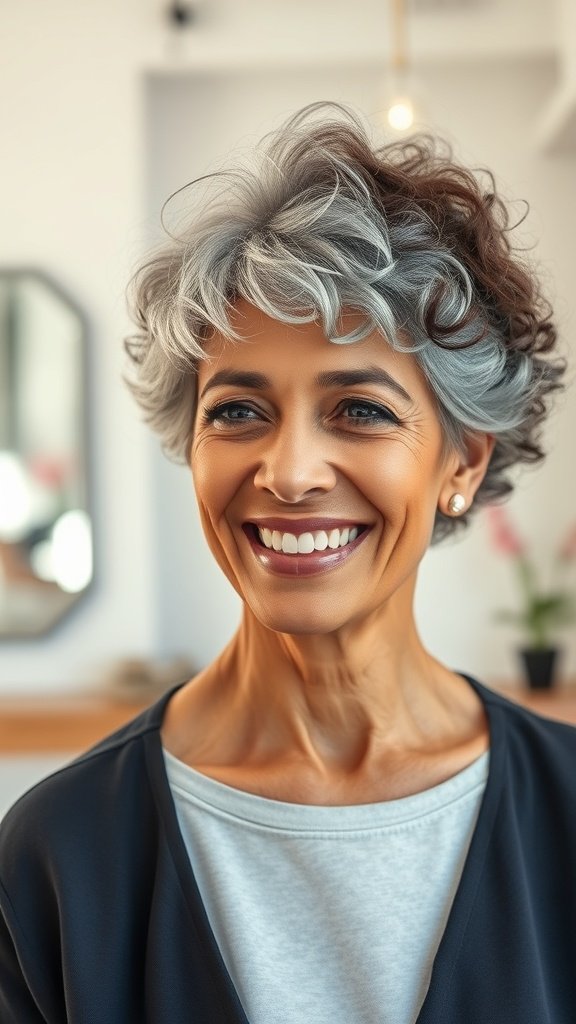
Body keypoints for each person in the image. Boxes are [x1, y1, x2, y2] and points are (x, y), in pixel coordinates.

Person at [0, 101, 572, 1024]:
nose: (291, 472)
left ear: (461, 463)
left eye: (360, 410)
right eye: (236, 411)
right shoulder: (59, 857)